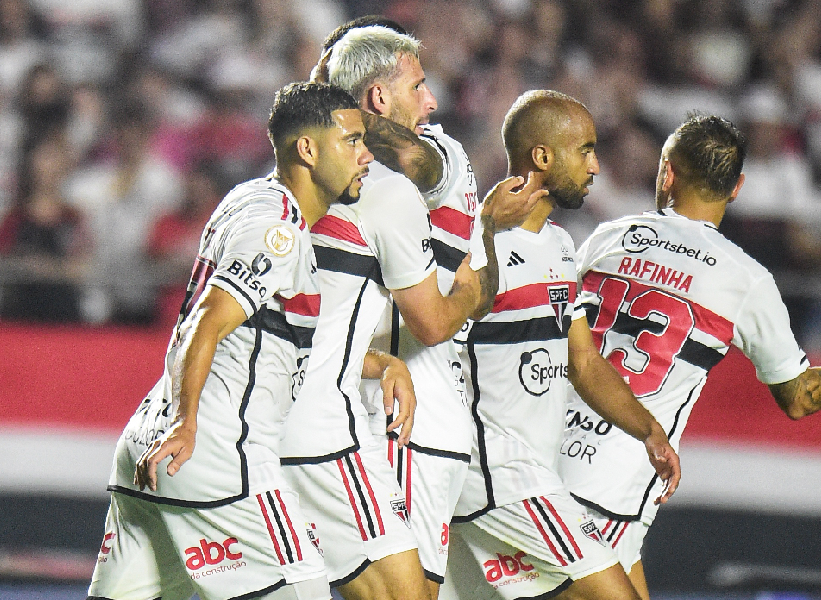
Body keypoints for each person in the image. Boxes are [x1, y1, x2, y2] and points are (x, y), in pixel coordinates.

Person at [556, 113, 821, 600]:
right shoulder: (746, 279)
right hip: (610, 480)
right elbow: (799, 398)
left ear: (666, 171)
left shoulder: (608, 237)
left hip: (553, 452)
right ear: (736, 188)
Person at [85, 81, 401, 600]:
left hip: (147, 447)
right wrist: (187, 422)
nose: (366, 155)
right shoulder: (278, 228)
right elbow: (208, 319)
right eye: (352, 141)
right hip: (213, 452)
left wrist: (376, 363)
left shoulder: (246, 199)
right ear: (307, 148)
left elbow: (265, 338)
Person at [279, 24, 542, 600]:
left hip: (398, 420)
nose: (433, 100)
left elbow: (445, 313)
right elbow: (481, 289)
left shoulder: (431, 158)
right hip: (389, 406)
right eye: (421, 86)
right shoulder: (344, 180)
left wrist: (316, 107)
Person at [446, 90, 680, 600]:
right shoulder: (472, 240)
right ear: (544, 157)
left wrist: (649, 431)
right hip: (496, 474)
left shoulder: (558, 244)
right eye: (586, 150)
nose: (596, 165)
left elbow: (583, 360)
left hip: (520, 476)